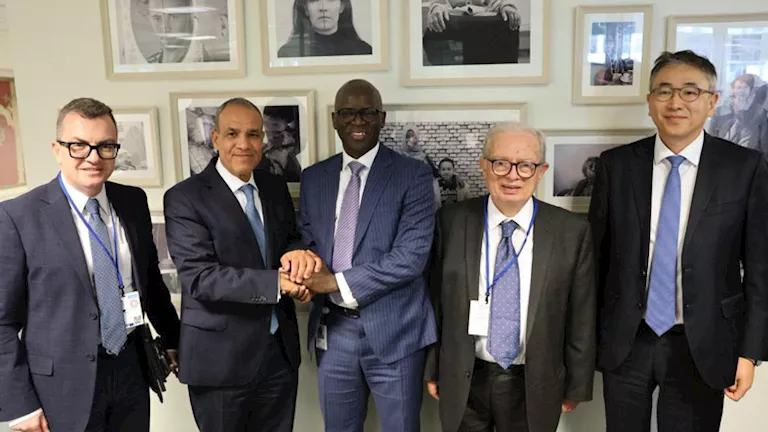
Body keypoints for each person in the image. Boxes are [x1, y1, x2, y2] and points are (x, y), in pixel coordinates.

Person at [589, 50, 768, 432]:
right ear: (650, 101)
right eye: (664, 91)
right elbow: (595, 261)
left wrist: (751, 352)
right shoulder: (615, 166)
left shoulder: (744, 168)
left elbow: (760, 269)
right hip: (627, 340)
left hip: (704, 341)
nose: (676, 102)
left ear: (712, 102)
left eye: (690, 91)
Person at [0, 97, 181, 431]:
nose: (93, 157)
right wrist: (19, 406)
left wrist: (174, 338)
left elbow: (150, 282)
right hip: (61, 386)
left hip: (130, 368)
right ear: (57, 149)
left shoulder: (133, 201)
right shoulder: (17, 216)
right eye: (79, 146)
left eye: (105, 146)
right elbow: (2, 322)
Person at [426, 123, 596, 432]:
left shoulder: (571, 232)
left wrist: (577, 384)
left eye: (525, 165)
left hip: (534, 381)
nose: (512, 175)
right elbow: (435, 301)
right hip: (465, 377)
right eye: (501, 163)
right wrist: (433, 367)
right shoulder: (451, 222)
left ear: (541, 171)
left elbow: (581, 315)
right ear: (484, 166)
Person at [163, 98, 319, 432]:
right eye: (233, 133)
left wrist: (298, 259)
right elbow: (201, 278)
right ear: (215, 138)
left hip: (278, 354)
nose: (244, 144)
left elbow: (288, 241)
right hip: (220, 362)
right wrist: (278, 284)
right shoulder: (185, 198)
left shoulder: (274, 187)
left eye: (253, 134)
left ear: (263, 139)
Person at [298, 79, 437, 431]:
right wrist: (303, 274)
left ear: (382, 118)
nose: (357, 120)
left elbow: (411, 258)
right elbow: (307, 242)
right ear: (334, 119)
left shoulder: (413, 175)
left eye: (368, 112)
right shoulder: (314, 178)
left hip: (397, 330)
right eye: (348, 112)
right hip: (334, 331)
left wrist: (333, 282)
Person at [278, 0, 372, 58]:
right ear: (305, 9)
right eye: (314, 0)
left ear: (342, 6)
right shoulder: (287, 53)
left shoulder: (364, 50)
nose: (323, 8)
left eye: (331, 0)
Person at [708, 73, 768, 158]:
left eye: (745, 87)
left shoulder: (759, 116)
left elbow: (764, 149)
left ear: (751, 94)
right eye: (739, 87)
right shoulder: (720, 113)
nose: (741, 91)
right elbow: (710, 142)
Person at [257, 105, 302, 183]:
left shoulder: (289, 143)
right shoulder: (261, 150)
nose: (268, 129)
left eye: (274, 124)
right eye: (265, 124)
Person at [427, 0, 521, 32]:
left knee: (507, 20)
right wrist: (436, 7)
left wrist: (506, 6)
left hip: (484, 24)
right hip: (455, 22)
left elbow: (497, 1)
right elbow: (438, 3)